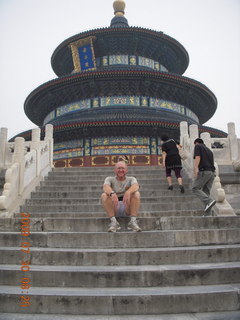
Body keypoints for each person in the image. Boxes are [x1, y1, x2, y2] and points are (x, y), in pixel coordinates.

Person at [101, 161, 141, 232]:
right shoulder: (109, 179)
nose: (121, 170)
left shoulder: (131, 179)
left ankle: (133, 221)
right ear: (115, 170)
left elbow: (136, 185)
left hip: (127, 207)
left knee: (136, 194)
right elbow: (105, 186)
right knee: (104, 195)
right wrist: (112, 193)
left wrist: (128, 191)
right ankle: (114, 222)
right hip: (114, 207)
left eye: (123, 168)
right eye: (118, 168)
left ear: (126, 170)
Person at [192, 138, 216, 215]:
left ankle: (209, 201)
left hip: (204, 171)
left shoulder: (198, 146)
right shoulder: (209, 150)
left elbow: (197, 157)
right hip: (212, 173)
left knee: (195, 188)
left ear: (196, 143)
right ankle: (207, 214)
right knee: (206, 192)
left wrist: (196, 168)